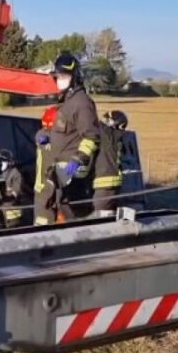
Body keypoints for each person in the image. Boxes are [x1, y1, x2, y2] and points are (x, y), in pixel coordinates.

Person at [49, 52, 100, 219]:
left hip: (75, 172)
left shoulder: (81, 103)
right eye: (58, 76)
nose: (59, 80)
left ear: (75, 77)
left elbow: (91, 137)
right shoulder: (69, 102)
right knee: (66, 210)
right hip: (63, 170)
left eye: (64, 76)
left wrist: (77, 161)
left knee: (76, 214)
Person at [93, 110, 128, 217]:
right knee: (109, 210)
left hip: (105, 181)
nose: (104, 122)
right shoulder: (118, 136)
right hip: (114, 181)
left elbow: (97, 126)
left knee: (100, 210)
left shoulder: (109, 136)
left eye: (107, 120)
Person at [34, 105, 59, 225]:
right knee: (44, 223)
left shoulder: (50, 137)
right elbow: (42, 140)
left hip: (53, 188)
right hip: (45, 189)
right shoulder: (44, 136)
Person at [0, 149, 23, 228]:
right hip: (0, 211)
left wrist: (7, 191)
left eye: (3, 161)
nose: (1, 163)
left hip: (11, 214)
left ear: (9, 162)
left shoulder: (15, 174)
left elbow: (15, 192)